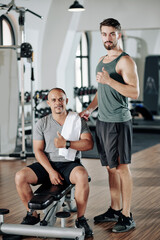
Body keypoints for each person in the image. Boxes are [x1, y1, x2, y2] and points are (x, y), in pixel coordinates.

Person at [80, 18, 139, 233]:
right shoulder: (102, 59)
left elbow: (134, 92)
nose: (107, 38)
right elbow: (101, 91)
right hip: (103, 121)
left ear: (118, 35)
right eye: (104, 34)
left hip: (119, 122)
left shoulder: (125, 61)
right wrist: (89, 109)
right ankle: (114, 209)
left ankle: (127, 214)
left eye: (112, 34)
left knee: (122, 168)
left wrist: (110, 81)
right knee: (110, 168)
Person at [15, 88, 94, 238]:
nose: (58, 103)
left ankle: (81, 219)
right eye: (54, 100)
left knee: (82, 175)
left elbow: (89, 144)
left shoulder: (77, 120)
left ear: (66, 101)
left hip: (69, 164)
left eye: (61, 99)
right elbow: (38, 150)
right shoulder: (42, 123)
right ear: (48, 103)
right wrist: (50, 171)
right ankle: (32, 215)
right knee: (20, 176)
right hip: (47, 164)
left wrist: (67, 144)